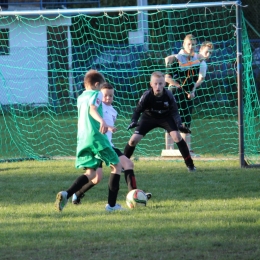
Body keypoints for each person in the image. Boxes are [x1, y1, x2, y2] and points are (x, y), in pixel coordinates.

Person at [54, 70, 124, 212]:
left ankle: (67, 194)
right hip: (96, 138)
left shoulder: (80, 97)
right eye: (101, 86)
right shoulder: (96, 94)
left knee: (91, 174)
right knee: (117, 166)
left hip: (82, 139)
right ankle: (111, 206)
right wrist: (102, 121)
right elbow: (92, 109)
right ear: (97, 84)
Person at [72, 82, 152, 204]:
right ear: (100, 95)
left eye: (111, 96)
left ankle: (135, 194)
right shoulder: (97, 105)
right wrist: (108, 126)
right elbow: (92, 116)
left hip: (108, 145)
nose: (108, 98)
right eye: (105, 95)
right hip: (97, 145)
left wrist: (109, 128)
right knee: (96, 177)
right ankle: (77, 194)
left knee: (128, 164)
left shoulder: (114, 111)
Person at [124, 71, 196, 172]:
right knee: (133, 140)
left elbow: (175, 112)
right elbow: (138, 110)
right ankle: (123, 164)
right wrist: (134, 120)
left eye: (160, 83)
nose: (158, 86)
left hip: (165, 117)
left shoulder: (169, 95)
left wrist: (179, 125)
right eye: (155, 84)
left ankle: (190, 165)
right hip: (148, 117)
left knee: (177, 136)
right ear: (151, 84)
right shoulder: (147, 95)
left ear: (165, 84)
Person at [164, 35, 214, 154]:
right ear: (183, 45)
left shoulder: (197, 60)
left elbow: (202, 58)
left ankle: (185, 149)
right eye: (189, 44)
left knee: (186, 121)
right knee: (171, 121)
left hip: (188, 95)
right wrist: (178, 86)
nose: (191, 47)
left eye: (193, 45)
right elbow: (167, 78)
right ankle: (169, 149)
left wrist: (192, 90)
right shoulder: (177, 58)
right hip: (175, 92)